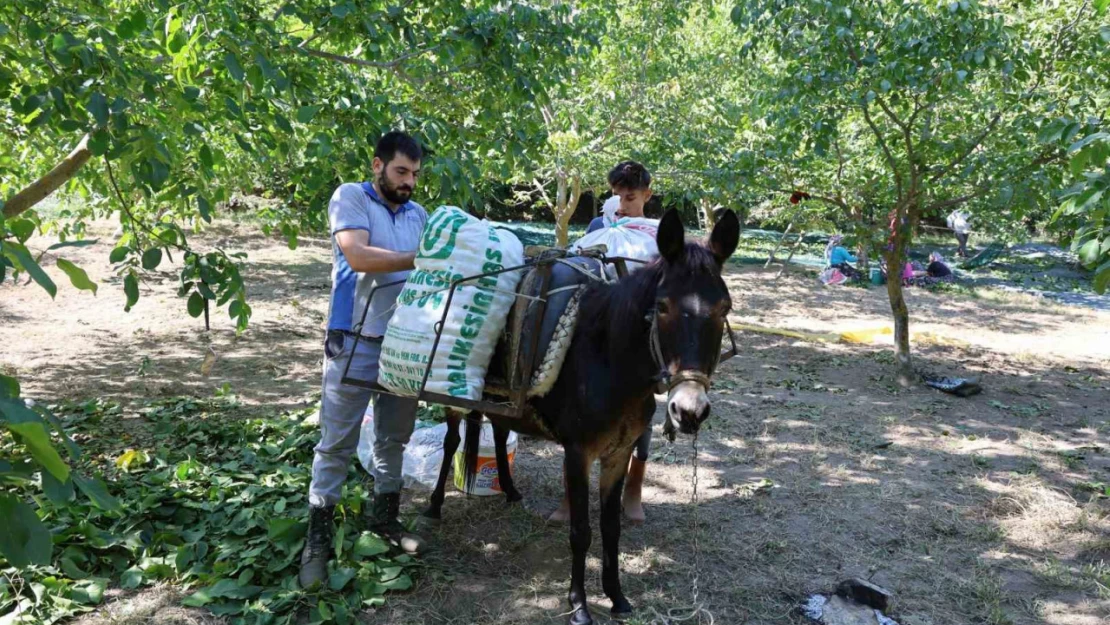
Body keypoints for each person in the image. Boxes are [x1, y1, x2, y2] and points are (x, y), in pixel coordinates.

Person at [299, 132, 429, 589]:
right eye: (401, 171)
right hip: (353, 339)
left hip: (403, 346)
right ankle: (317, 539)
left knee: (394, 437)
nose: (409, 181)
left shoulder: (419, 215)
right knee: (336, 441)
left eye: (414, 174)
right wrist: (421, 260)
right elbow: (356, 255)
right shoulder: (350, 197)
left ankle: (386, 522)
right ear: (377, 165)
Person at [551, 160, 654, 525]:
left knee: (639, 416)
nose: (623, 205)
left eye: (630, 197)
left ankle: (632, 492)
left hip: (637, 340)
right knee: (578, 416)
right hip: (598, 333)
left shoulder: (656, 237)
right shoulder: (599, 228)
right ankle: (569, 498)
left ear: (647, 195)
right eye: (617, 197)